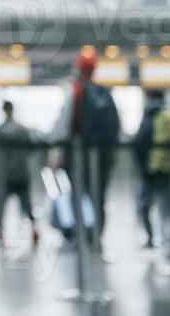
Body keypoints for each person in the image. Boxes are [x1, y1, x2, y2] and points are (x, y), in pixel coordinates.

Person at [49, 54, 121, 244]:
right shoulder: (104, 93)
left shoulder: (76, 91)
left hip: (79, 154)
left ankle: (79, 233)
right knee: (99, 196)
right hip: (103, 155)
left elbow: (64, 126)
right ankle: (97, 234)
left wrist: (56, 148)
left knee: (77, 194)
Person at [131, 89, 170, 259]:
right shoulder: (167, 116)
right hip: (166, 170)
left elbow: (139, 142)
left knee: (145, 206)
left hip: (150, 170)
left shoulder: (148, 115)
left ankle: (152, 238)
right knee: (169, 208)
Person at [0, 101, 40, 244]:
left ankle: (0, 230)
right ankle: (34, 228)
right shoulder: (23, 130)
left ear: (3, 110)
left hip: (4, 174)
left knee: (1, 204)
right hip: (21, 172)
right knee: (27, 203)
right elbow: (32, 147)